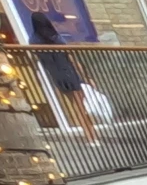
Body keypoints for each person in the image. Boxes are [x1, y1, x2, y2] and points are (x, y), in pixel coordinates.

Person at [28, 14, 98, 143]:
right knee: (82, 106)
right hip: (70, 73)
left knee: (76, 107)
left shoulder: (33, 40)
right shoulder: (56, 37)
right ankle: (92, 135)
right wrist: (86, 77)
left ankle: (89, 137)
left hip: (57, 76)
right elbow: (71, 58)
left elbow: (38, 60)